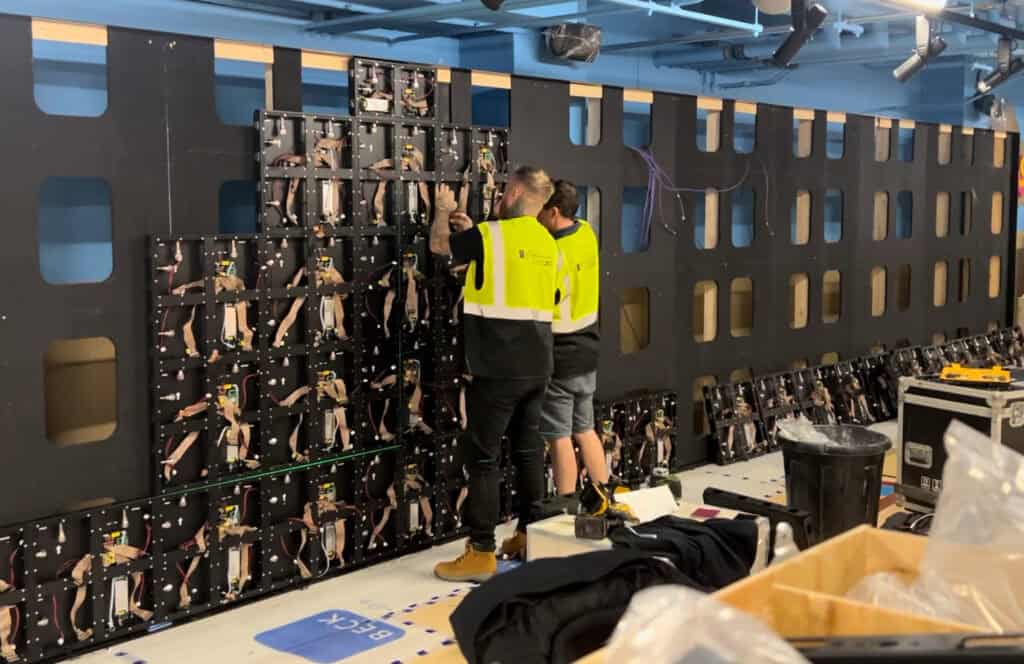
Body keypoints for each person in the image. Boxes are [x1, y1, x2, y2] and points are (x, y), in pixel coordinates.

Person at [429, 166, 558, 582]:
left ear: (516, 190)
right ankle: (530, 536)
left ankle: (481, 550)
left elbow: (438, 246)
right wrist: (471, 231)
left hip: (497, 366)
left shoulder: (491, 236)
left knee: (482, 457)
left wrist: (443, 210)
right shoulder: (547, 242)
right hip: (538, 365)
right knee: (526, 451)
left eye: (505, 190)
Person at [527, 183, 605, 540]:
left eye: (542, 210)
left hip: (561, 354)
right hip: (589, 348)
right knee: (585, 428)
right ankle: (606, 496)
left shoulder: (552, 251)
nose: (537, 216)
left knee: (559, 437)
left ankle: (566, 504)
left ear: (554, 212)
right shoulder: (586, 233)